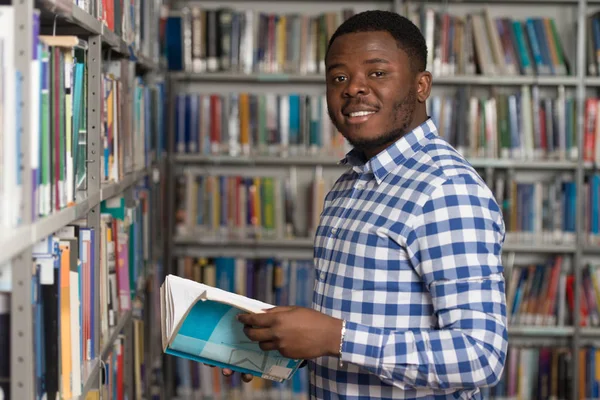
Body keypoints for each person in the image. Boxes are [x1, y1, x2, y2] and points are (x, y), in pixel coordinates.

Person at [225, 9, 508, 399]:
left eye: (377, 73)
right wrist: (282, 343)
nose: (354, 88)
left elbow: (480, 356)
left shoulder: (445, 190)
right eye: (339, 77)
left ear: (422, 85)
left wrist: (334, 337)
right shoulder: (348, 186)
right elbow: (360, 326)